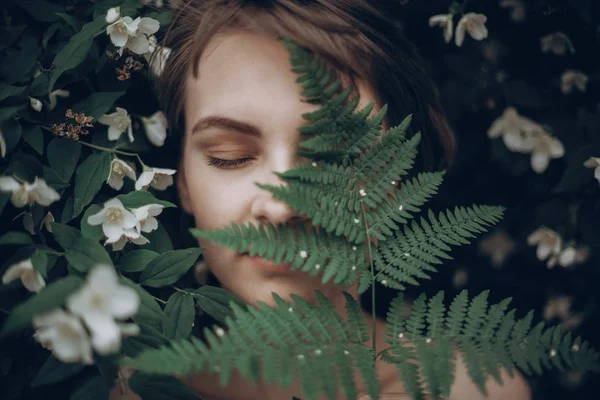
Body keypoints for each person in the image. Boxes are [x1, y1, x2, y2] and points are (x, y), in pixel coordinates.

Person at [112, 1, 531, 399]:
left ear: (399, 182)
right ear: (182, 180)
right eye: (230, 157)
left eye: (333, 159)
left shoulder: (474, 390)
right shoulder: (118, 389)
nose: (281, 206)